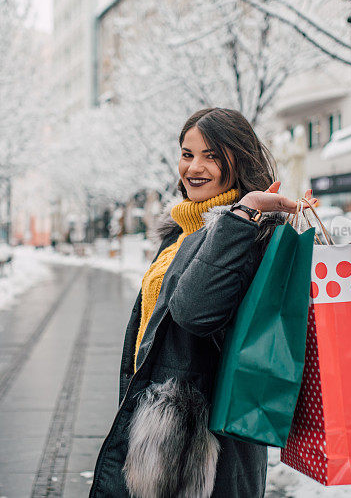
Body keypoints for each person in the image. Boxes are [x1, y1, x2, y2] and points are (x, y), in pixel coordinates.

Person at [89, 108, 317, 498]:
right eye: (187, 153)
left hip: (205, 450)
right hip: (156, 435)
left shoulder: (248, 234)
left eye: (212, 155)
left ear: (240, 161)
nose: (194, 167)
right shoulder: (180, 231)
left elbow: (195, 311)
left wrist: (243, 214)